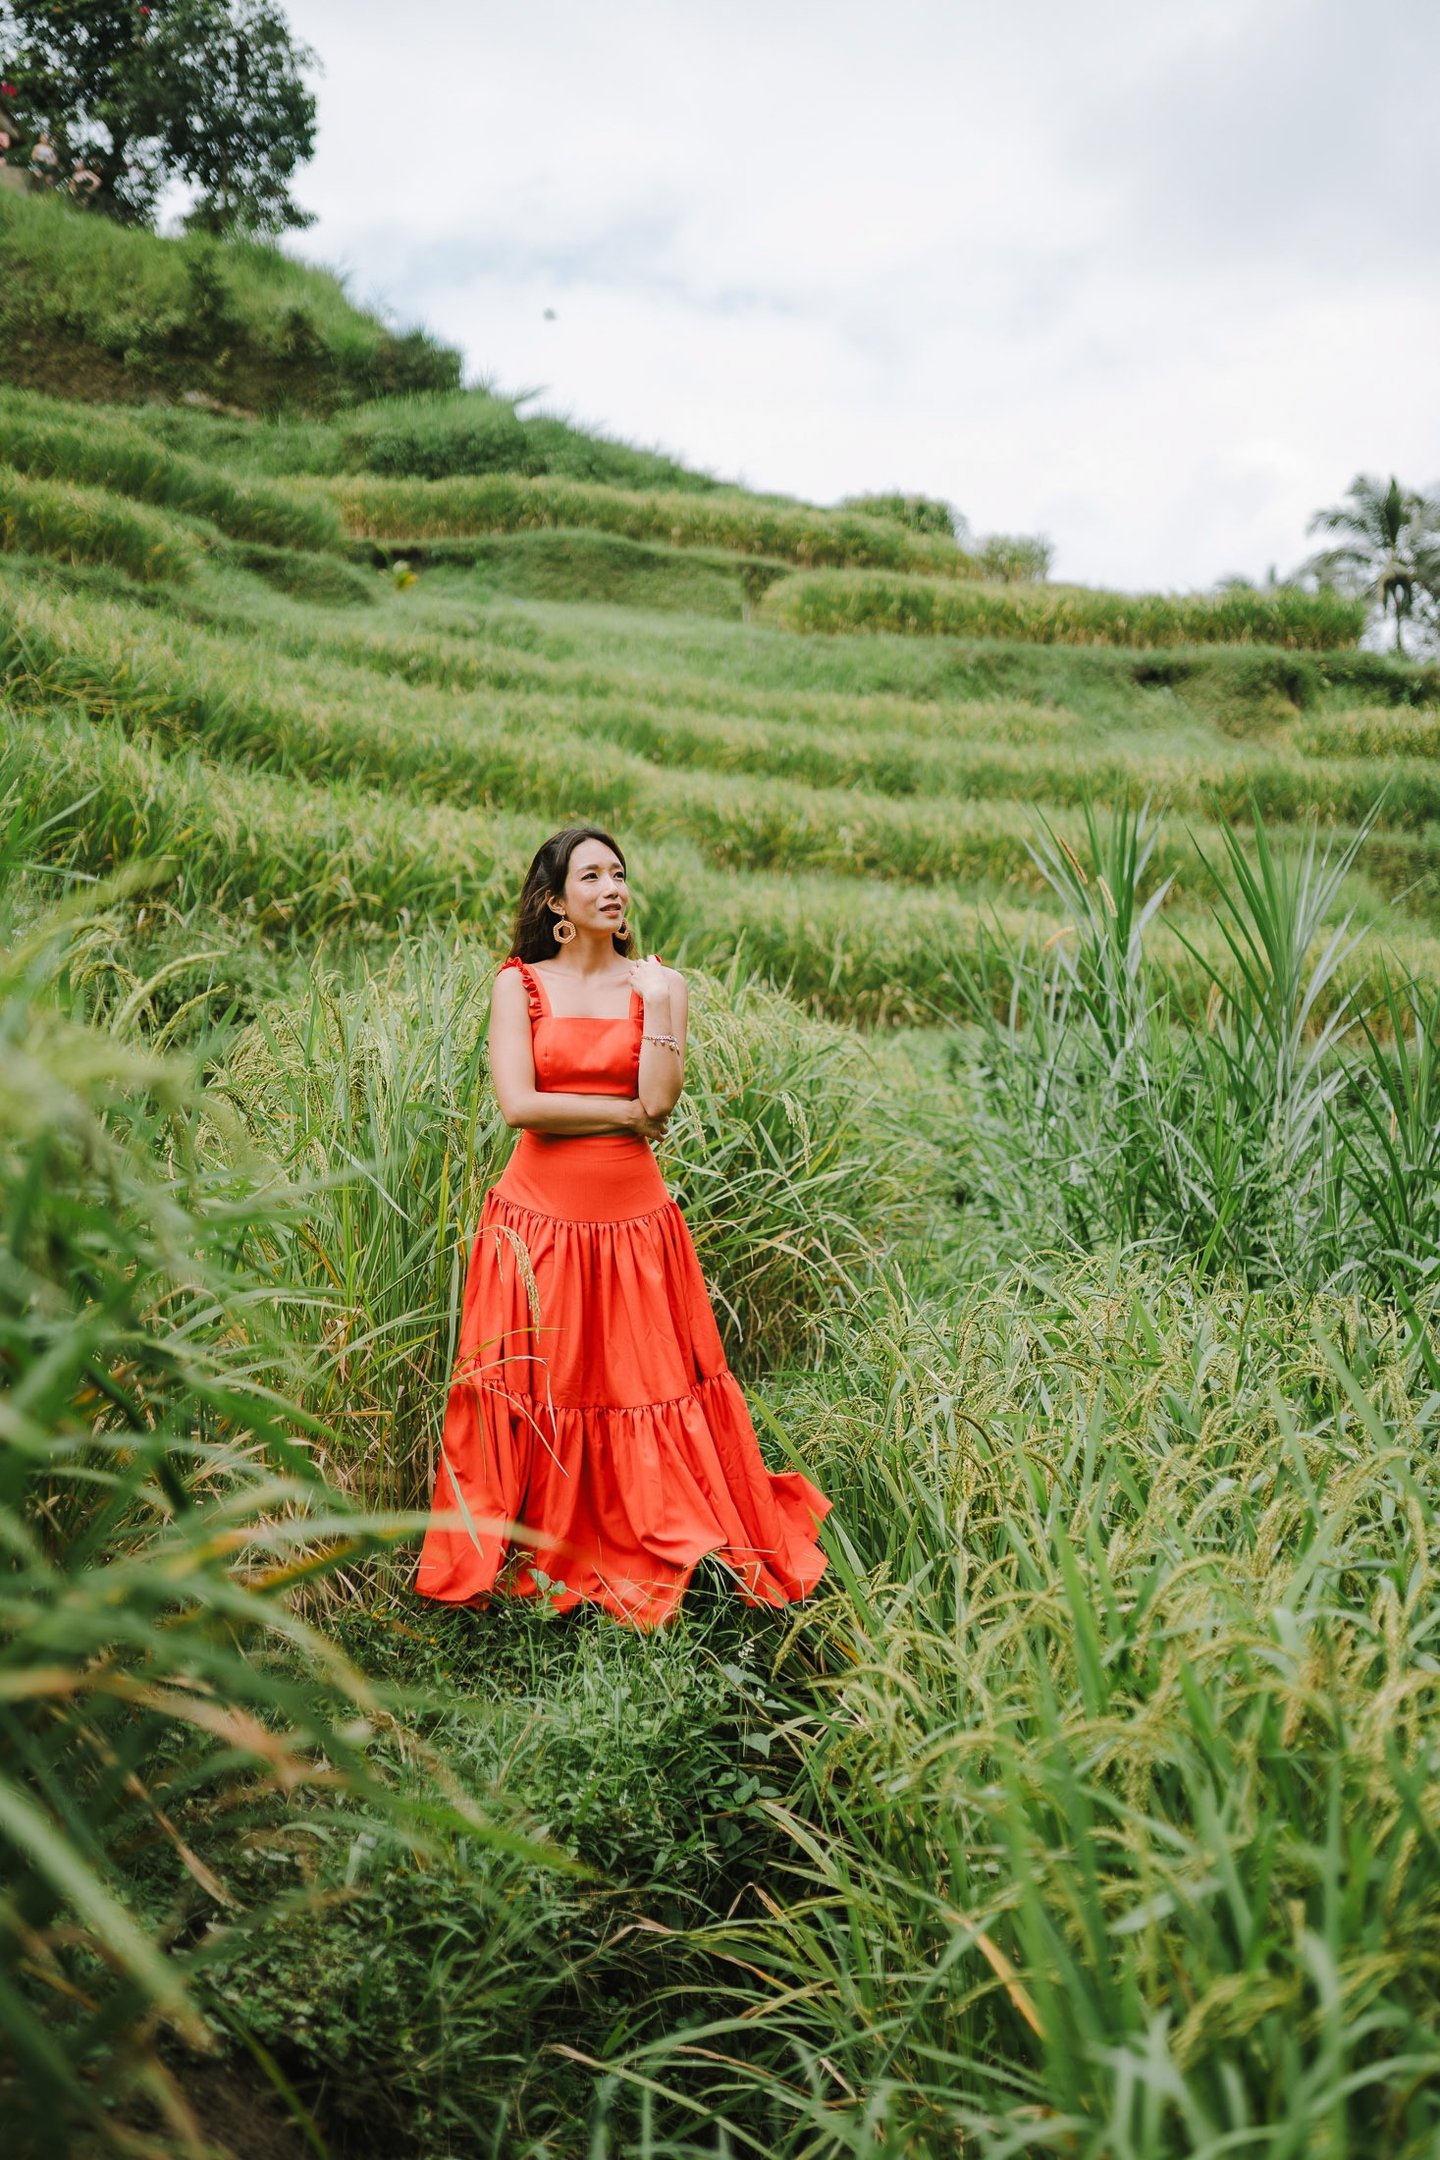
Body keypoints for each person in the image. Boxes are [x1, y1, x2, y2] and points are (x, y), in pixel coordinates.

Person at [415, 826, 831, 1627]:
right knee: (549, 1385)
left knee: (641, 1385)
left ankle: (645, 1536)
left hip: (635, 1220)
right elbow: (520, 1106)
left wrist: (662, 1005)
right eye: (591, 875)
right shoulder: (519, 985)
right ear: (554, 900)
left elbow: (661, 1103)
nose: (612, 887)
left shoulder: (657, 985)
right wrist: (620, 1115)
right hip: (536, 1219)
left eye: (619, 873)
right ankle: (532, 1542)